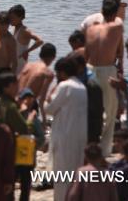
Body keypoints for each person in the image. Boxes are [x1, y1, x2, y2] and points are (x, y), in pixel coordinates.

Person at [85, 0, 124, 156]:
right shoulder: (117, 26)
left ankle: (89, 143)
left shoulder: (90, 28)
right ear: (114, 13)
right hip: (107, 71)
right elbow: (120, 51)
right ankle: (105, 148)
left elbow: (86, 53)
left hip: (90, 69)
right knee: (110, 111)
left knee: (91, 109)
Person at [44, 57, 87, 201]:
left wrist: (45, 96)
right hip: (79, 138)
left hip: (64, 137)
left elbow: (49, 109)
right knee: (75, 174)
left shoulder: (65, 86)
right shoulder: (82, 86)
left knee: (61, 177)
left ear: (62, 72)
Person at [0, 72, 33, 201]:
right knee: (25, 179)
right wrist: (30, 116)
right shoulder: (11, 107)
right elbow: (24, 128)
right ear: (6, 87)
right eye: (14, 84)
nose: (17, 87)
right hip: (13, 147)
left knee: (6, 182)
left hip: (0, 148)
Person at [18, 43, 56, 109]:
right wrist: (44, 117)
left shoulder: (28, 65)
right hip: (28, 105)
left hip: (16, 100)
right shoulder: (48, 73)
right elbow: (41, 100)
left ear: (40, 54)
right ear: (53, 57)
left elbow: (18, 81)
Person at [8, 4, 43, 74]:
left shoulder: (25, 31)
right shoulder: (13, 29)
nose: (10, 20)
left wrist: (27, 51)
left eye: (12, 18)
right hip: (13, 65)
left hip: (21, 66)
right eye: (9, 17)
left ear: (21, 17)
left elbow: (40, 41)